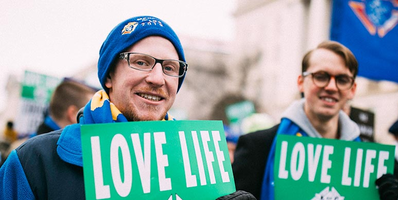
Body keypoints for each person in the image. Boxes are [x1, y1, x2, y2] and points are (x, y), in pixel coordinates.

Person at [0, 16, 255, 200]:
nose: (157, 78)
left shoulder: (200, 166)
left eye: (169, 68)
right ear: (109, 76)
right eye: (141, 62)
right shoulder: (33, 162)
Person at [232, 41, 398, 200]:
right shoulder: (258, 146)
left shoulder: (370, 163)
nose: (331, 87)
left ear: (352, 90)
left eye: (342, 80)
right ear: (301, 82)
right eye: (321, 76)